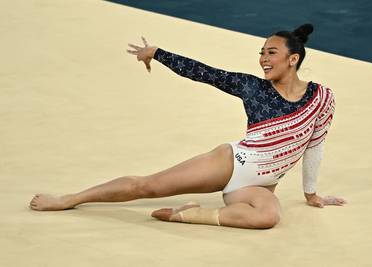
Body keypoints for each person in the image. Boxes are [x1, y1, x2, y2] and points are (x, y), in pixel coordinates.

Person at [29, 24, 347, 229]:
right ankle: (69, 199)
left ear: (293, 59)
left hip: (257, 188)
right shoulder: (253, 88)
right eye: (261, 53)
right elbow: (204, 72)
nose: (263, 59)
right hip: (232, 165)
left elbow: (315, 145)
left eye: (271, 53)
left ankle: (185, 214)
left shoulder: (321, 97)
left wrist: (311, 194)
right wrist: (157, 53)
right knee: (146, 186)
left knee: (268, 217)